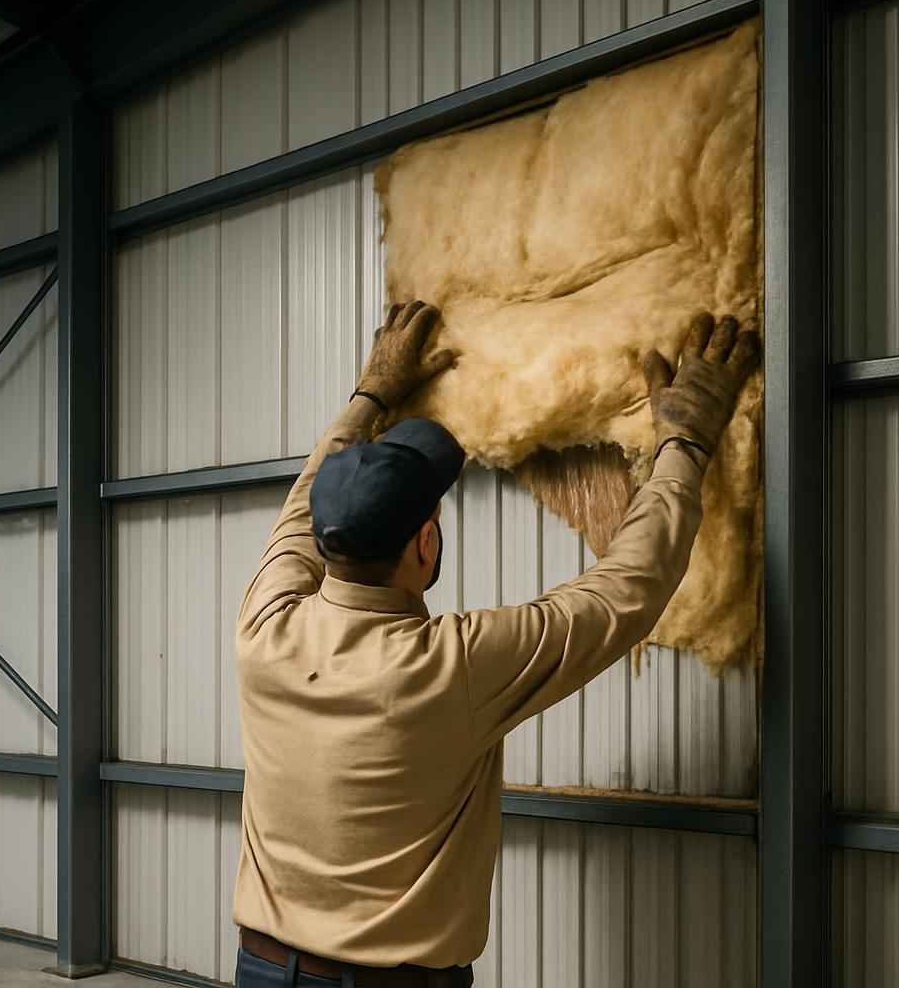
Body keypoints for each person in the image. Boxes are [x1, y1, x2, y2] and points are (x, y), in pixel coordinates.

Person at [232, 300, 759, 988]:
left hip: (261, 967)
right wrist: (684, 444)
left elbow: (303, 507)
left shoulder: (263, 625)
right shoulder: (453, 668)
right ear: (425, 542)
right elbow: (624, 591)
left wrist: (369, 395)